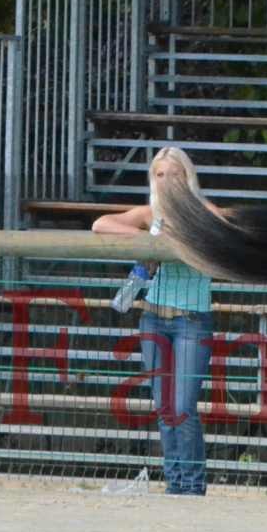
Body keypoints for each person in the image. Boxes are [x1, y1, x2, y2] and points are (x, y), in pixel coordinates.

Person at [92, 149, 216, 496]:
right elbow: (100, 224)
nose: (166, 181)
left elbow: (226, 228)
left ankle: (191, 488)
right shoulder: (150, 214)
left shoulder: (203, 213)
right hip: (153, 319)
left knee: (182, 408)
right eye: (159, 175)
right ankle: (174, 484)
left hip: (191, 321)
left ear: (187, 178)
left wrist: (178, 241)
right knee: (164, 408)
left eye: (173, 175)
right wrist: (152, 242)